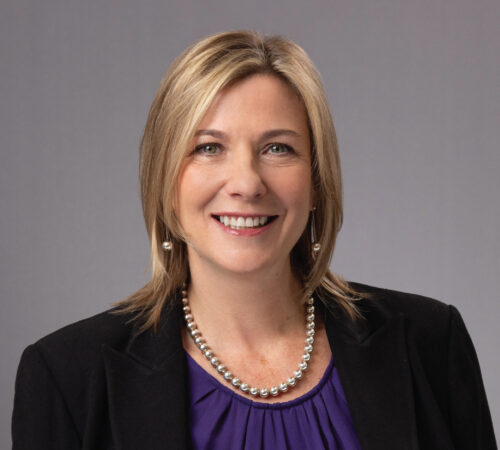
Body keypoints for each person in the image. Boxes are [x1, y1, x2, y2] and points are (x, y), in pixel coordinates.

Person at [12, 30, 496, 450]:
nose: (246, 182)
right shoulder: (66, 377)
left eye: (277, 148)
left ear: (317, 182)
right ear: (163, 183)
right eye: (208, 148)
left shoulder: (430, 344)